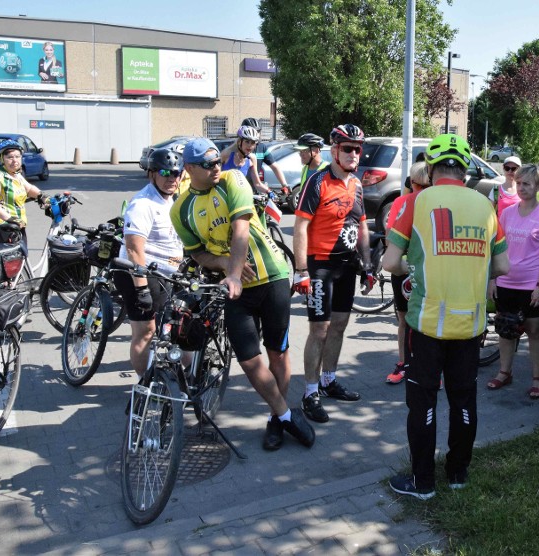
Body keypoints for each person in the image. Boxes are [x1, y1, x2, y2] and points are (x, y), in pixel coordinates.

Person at [383, 133, 509, 499]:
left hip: (426, 322)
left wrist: (417, 264)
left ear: (432, 168)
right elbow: (502, 264)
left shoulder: (416, 202)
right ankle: (458, 473)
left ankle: (423, 482)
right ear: (465, 167)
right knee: (463, 399)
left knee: (422, 401)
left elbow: (391, 262)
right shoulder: (486, 204)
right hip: (470, 322)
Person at [170, 138, 315, 451]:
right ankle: (286, 414)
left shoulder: (233, 179)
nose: (215, 167)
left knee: (276, 352)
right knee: (249, 360)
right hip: (236, 291)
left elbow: (241, 229)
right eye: (207, 164)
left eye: (217, 161)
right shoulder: (181, 210)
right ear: (190, 168)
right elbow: (197, 254)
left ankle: (275, 421)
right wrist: (224, 263)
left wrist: (233, 273)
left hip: (271, 275)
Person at [292, 124, 371, 423]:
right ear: (334, 150)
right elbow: (300, 226)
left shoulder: (357, 184)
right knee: (319, 331)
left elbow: (362, 225)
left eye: (357, 149)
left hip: (347, 265)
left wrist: (368, 265)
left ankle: (328, 380)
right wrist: (301, 270)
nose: (353, 154)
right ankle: (309, 392)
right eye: (347, 148)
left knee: (339, 325)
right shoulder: (317, 181)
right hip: (320, 265)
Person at [485, 164, 539, 400]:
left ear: (538, 186)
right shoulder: (507, 213)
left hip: (532, 285)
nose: (521, 188)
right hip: (506, 282)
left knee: (535, 332)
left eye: (527, 183)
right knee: (506, 331)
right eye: (518, 183)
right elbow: (498, 249)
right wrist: (493, 278)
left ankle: (537, 378)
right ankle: (504, 372)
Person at [113, 148, 187, 377]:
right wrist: (142, 288)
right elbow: (134, 249)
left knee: (177, 327)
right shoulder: (143, 204)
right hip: (139, 273)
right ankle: (146, 385)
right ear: (151, 174)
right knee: (145, 331)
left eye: (177, 173)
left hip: (166, 273)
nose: (171, 178)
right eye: (165, 172)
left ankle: (188, 377)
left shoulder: (170, 199)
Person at [384, 161, 430, 385]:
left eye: (426, 186)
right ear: (411, 183)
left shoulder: (435, 204)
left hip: (429, 269)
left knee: (426, 320)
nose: (421, 191)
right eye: (418, 186)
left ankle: (430, 368)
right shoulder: (401, 202)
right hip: (404, 269)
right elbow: (390, 235)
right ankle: (403, 363)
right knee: (403, 320)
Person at [0, 139, 44, 256]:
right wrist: (8, 218)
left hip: (16, 226)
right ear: (2, 159)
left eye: (17, 156)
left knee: (21, 261)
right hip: (2, 227)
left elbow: (30, 189)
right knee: (12, 265)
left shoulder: (16, 175)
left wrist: (44, 197)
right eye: (10, 157)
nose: (14, 160)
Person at [240, 118, 291, 192]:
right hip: (238, 189)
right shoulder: (237, 149)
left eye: (258, 131)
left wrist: (284, 185)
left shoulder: (262, 147)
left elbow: (275, 167)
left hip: (254, 189)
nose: (256, 134)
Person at [220, 125, 271, 194]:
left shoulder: (252, 159)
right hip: (223, 196)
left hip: (238, 197)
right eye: (247, 141)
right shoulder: (226, 155)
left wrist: (269, 191)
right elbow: (213, 178)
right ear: (239, 142)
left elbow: (257, 184)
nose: (250, 145)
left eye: (253, 143)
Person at [292, 132, 329, 207]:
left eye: (305, 150)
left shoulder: (328, 169)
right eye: (300, 151)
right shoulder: (305, 169)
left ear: (316, 150)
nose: (301, 154)